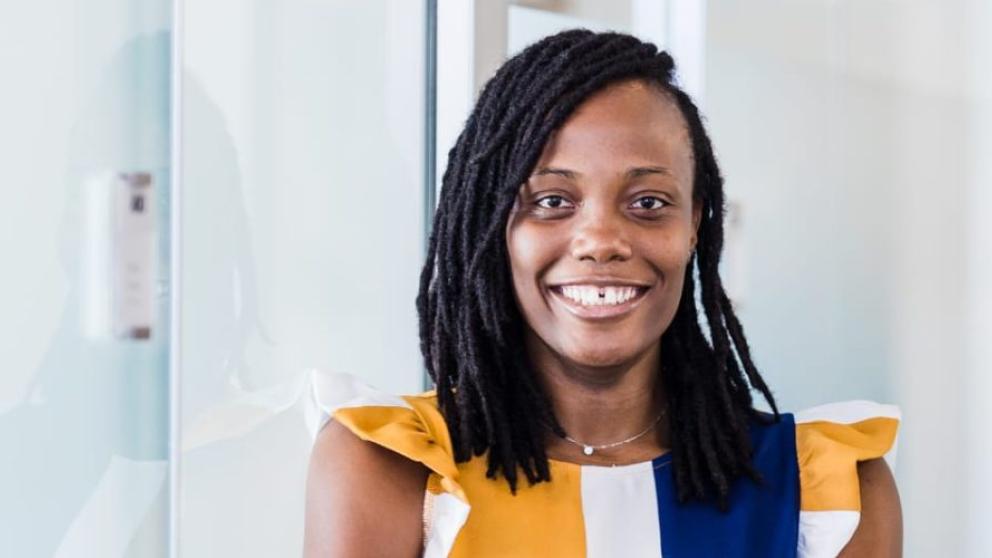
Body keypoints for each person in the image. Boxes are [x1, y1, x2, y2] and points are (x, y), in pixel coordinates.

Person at [303, 29, 902, 557]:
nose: (600, 241)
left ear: (694, 223)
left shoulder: (828, 491)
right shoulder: (392, 466)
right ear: (492, 223)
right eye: (551, 201)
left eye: (648, 202)